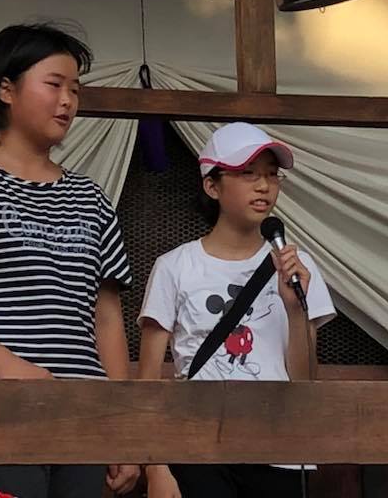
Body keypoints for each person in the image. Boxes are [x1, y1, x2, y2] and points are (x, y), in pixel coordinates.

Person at [0, 24, 139, 498]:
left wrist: (122, 427)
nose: (67, 101)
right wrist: (10, 368)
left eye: (75, 90)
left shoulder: (92, 198)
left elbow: (107, 320)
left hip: (82, 416)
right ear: (6, 89)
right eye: (54, 84)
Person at [138, 122, 336, 498]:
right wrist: (156, 466)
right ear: (212, 186)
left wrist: (296, 311)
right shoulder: (175, 266)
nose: (264, 186)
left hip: (280, 449)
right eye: (248, 174)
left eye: (272, 175)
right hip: (197, 449)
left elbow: (306, 380)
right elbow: (147, 382)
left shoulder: (297, 265)